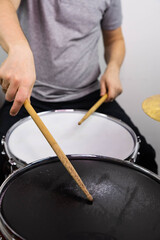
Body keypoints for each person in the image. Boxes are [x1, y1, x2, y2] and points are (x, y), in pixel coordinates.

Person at [0, 0, 158, 184]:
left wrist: (113, 68)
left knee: (145, 159)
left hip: (90, 96)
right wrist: (18, 48)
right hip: (28, 97)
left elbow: (115, 39)